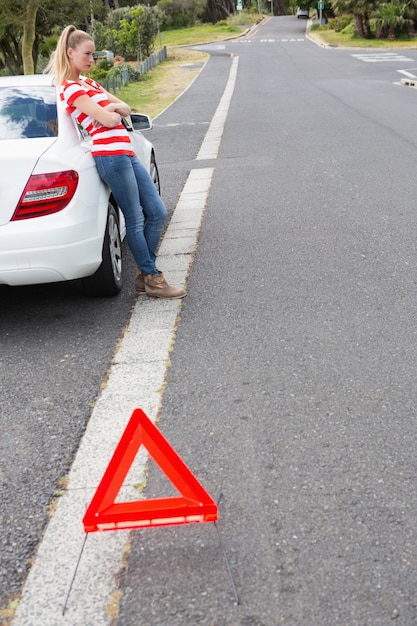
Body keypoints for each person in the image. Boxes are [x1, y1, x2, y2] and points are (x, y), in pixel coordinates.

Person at [46, 25, 186, 299]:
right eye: (87, 54)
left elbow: (125, 108)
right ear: (70, 53)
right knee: (133, 218)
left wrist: (111, 109)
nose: (91, 59)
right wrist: (111, 111)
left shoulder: (89, 83)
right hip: (109, 156)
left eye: (93, 54)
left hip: (126, 152)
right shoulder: (70, 88)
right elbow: (112, 119)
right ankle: (152, 279)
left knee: (157, 212)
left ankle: (144, 272)